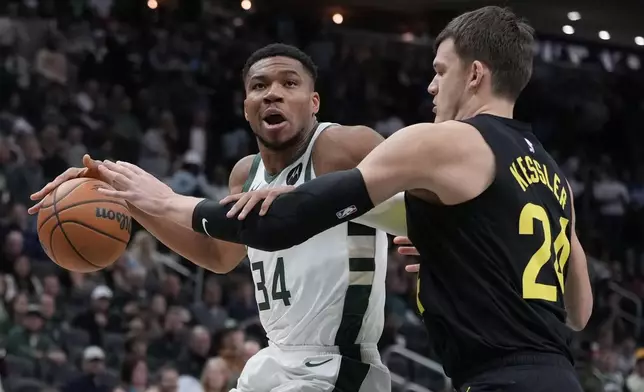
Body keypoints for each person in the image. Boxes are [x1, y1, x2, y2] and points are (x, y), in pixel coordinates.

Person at [74, 7, 594, 392]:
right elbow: (579, 311)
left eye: (439, 70)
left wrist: (164, 200)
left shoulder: (435, 141)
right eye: (259, 85)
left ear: (475, 73)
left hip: (358, 370)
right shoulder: (551, 175)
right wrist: (447, 248)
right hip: (552, 373)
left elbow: (289, 218)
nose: (432, 86)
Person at [30, 43, 398, 391]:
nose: (273, 93)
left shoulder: (344, 145)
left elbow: (418, 193)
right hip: (273, 361)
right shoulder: (244, 174)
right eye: (259, 85)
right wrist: (128, 201)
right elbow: (218, 256)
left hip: (337, 364)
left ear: (314, 102)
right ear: (246, 107)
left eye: (289, 83)